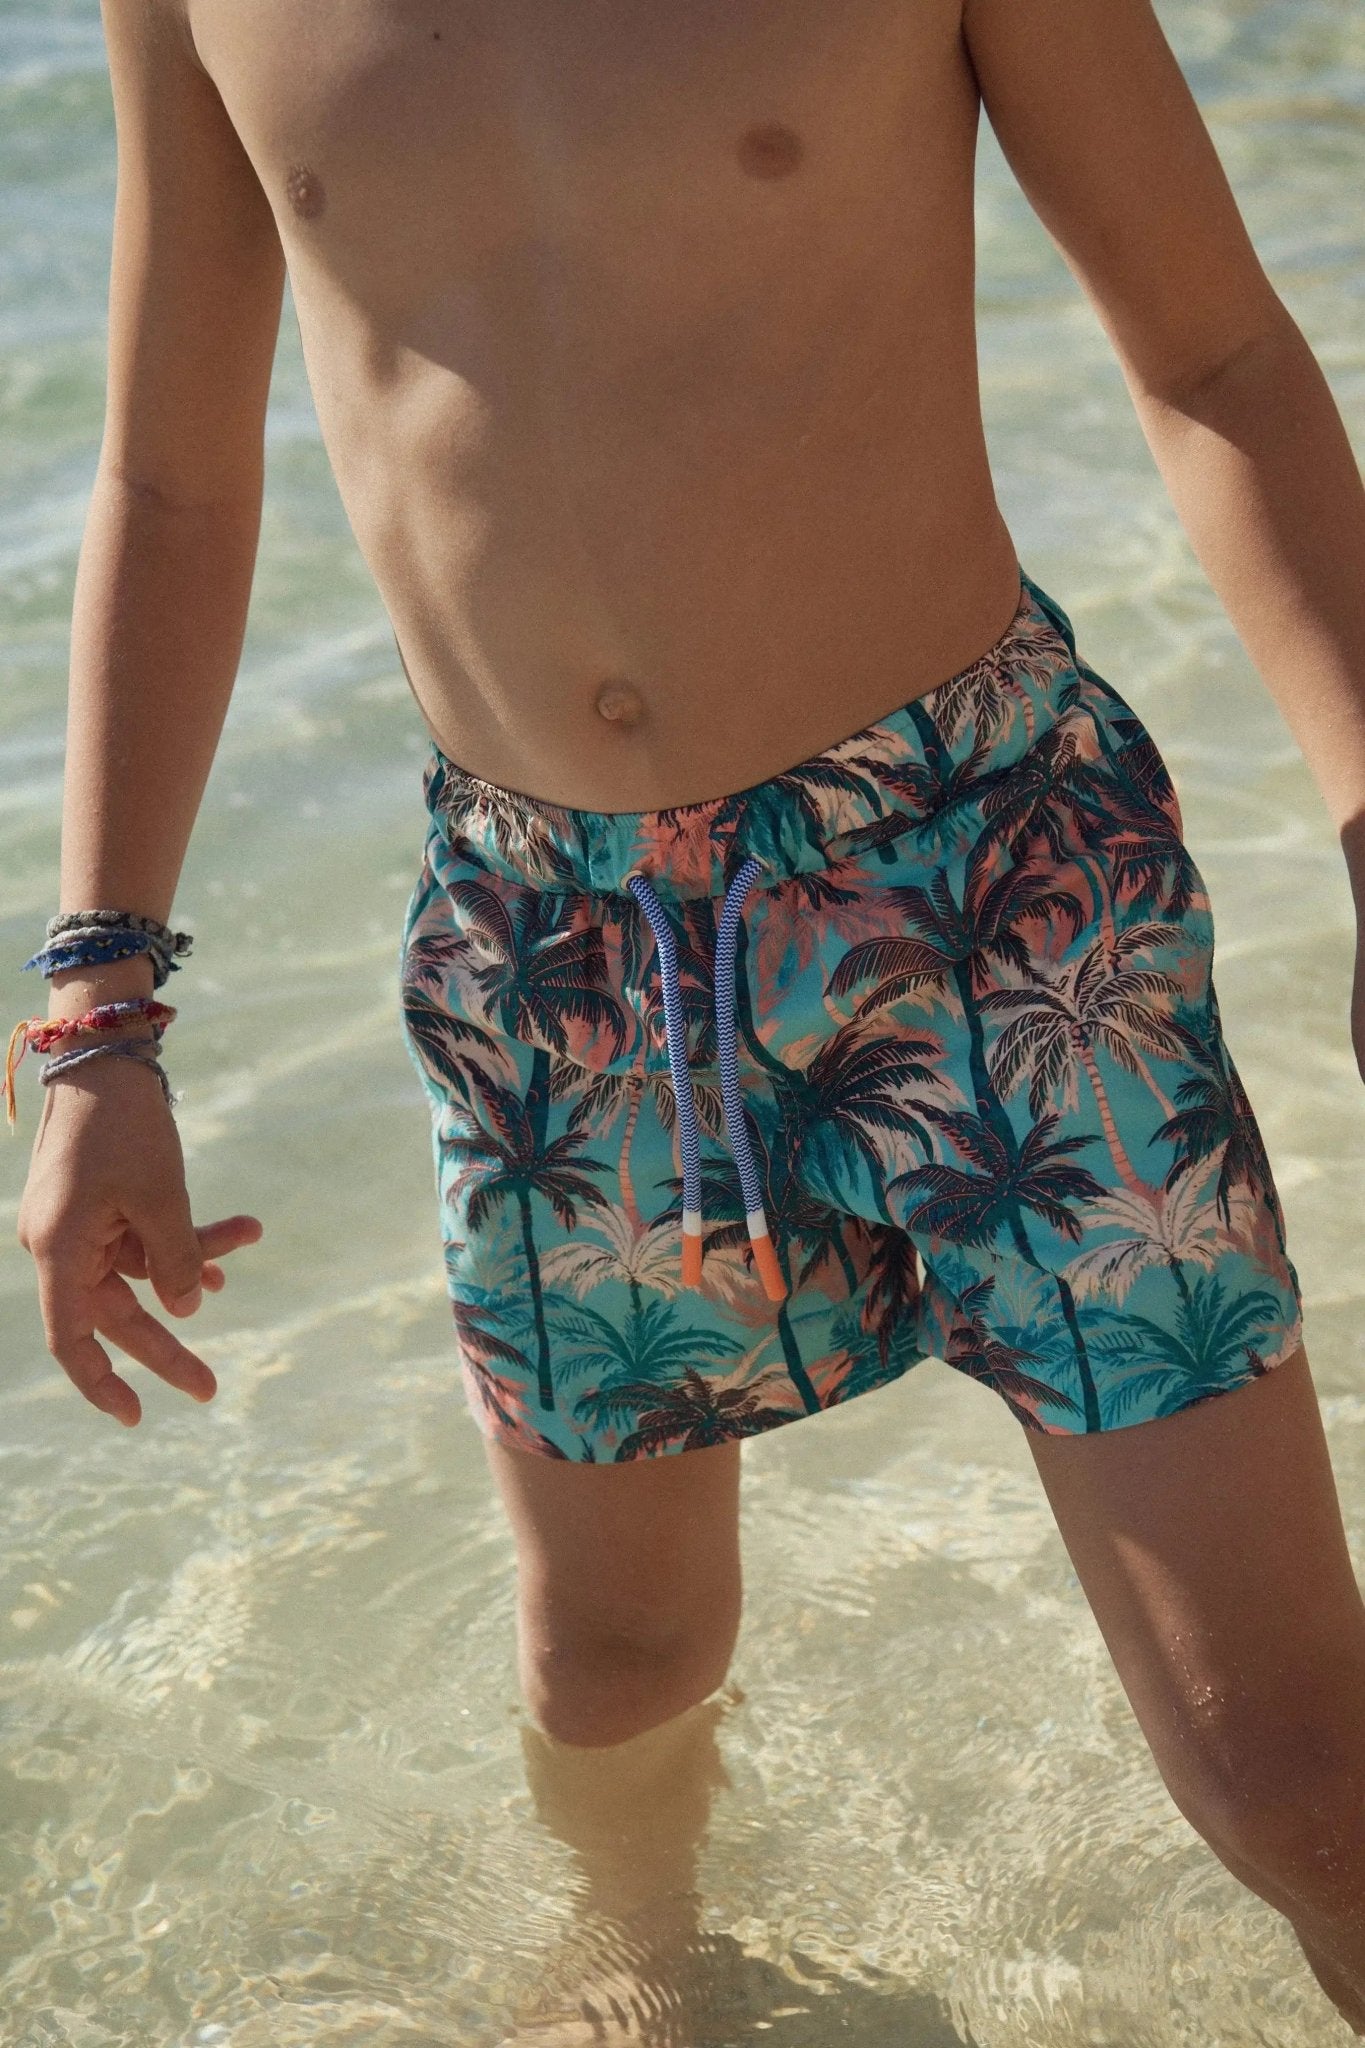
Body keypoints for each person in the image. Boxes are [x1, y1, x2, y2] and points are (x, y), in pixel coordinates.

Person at [13, 0, 1365, 2036]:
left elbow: (1213, 354)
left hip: (989, 884)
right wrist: (99, 1023)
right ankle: (648, 1975)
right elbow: (172, 476)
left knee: (1285, 1772)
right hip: (550, 958)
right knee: (615, 1664)